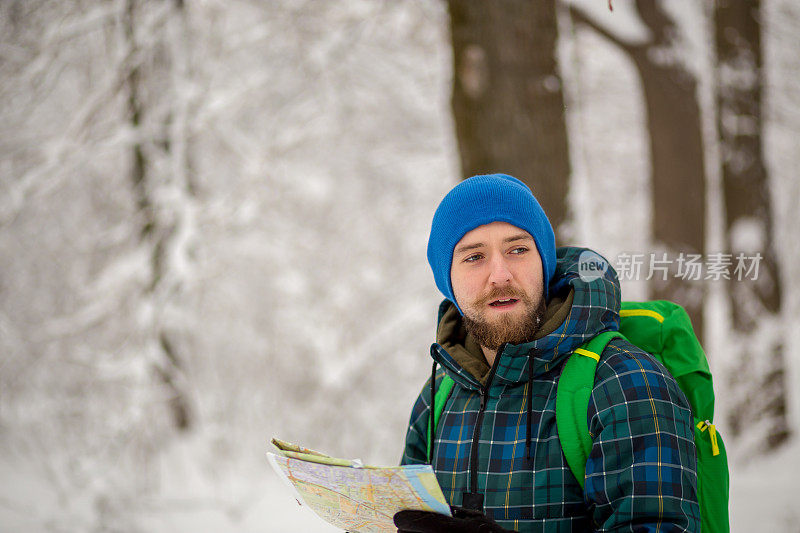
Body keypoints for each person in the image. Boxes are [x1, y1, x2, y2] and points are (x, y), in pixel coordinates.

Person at [394, 174, 700, 532]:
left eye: (518, 250)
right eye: (474, 257)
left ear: (543, 262)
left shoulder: (624, 384)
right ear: (448, 281)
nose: (500, 275)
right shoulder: (437, 400)